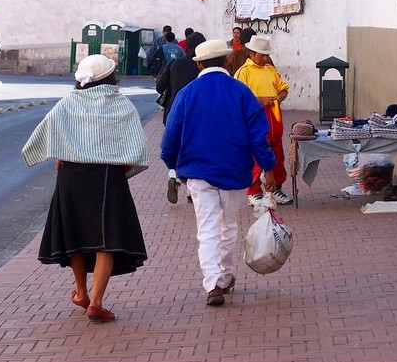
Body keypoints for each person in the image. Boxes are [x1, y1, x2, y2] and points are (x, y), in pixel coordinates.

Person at [21, 54, 149, 323]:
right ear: (112, 78)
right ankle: (97, 301)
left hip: (70, 174)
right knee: (107, 239)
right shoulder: (120, 104)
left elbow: (44, 134)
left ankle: (81, 292)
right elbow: (136, 145)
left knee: (76, 234)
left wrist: (56, 154)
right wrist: (126, 168)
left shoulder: (68, 102)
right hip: (106, 174)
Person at [160, 39, 277, 306]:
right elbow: (259, 136)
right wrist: (267, 168)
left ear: (199, 64)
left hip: (199, 172)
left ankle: (213, 283)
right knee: (229, 224)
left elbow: (170, 138)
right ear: (226, 62)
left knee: (208, 228)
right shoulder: (241, 92)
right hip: (234, 171)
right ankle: (224, 276)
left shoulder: (187, 94)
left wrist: (174, 165)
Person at [234, 35, 293, 206]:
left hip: (274, 118)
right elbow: (239, 98)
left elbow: (283, 89)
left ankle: (277, 189)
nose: (266, 58)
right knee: (255, 156)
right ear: (251, 54)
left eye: (266, 55)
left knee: (277, 156)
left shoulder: (270, 70)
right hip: (255, 118)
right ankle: (253, 191)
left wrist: (279, 98)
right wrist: (261, 100)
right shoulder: (243, 73)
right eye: (262, 55)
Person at [155, 31, 206, 204]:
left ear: (188, 47)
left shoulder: (175, 64)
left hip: (173, 112)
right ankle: (191, 191)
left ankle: (173, 176)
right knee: (193, 150)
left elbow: (159, 86)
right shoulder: (203, 67)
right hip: (197, 114)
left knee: (175, 147)